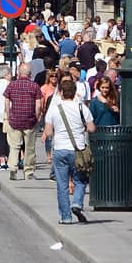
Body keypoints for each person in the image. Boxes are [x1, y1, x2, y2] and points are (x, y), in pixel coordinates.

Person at [43, 76, 93, 225]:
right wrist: (81, 127)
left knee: (62, 185)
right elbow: (91, 128)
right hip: (78, 149)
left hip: (60, 149)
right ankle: (77, 203)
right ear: (75, 92)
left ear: (62, 93)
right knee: (80, 180)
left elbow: (49, 132)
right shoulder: (81, 107)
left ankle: (65, 217)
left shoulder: (55, 109)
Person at [4, 62, 43, 181]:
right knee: (29, 147)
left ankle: (12, 168)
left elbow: (6, 101)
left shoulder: (12, 85)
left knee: (14, 146)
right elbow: (38, 105)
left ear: (18, 73)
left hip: (15, 119)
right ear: (30, 74)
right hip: (29, 120)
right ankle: (28, 172)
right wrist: (37, 117)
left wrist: (8, 114)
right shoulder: (34, 86)